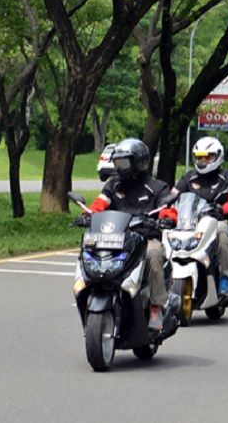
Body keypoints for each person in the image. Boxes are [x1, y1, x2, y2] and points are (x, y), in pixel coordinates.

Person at [76, 139, 170, 330]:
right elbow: (99, 205)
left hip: (145, 239)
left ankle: (156, 307)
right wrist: (87, 215)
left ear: (140, 162)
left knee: (154, 256)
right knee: (88, 251)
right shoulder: (113, 185)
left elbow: (167, 208)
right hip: (116, 238)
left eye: (124, 163)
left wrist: (166, 218)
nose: (119, 167)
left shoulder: (157, 187)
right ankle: (90, 292)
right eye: (117, 163)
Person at [162, 137, 228, 297]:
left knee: (223, 234)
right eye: (200, 157)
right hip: (189, 222)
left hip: (216, 221)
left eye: (207, 157)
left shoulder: (226, 176)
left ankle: (226, 278)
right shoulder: (189, 177)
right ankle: (166, 279)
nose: (203, 161)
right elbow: (173, 196)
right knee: (165, 235)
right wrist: (168, 212)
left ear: (218, 156)